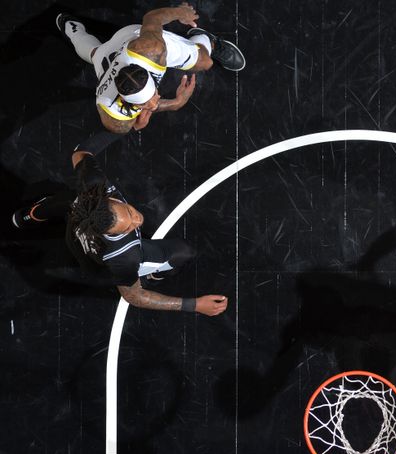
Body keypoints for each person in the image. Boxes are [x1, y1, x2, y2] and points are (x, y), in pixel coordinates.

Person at [12, 134, 228, 316]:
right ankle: (153, 274)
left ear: (108, 200)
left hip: (76, 234)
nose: (138, 220)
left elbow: (80, 152)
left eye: (130, 213)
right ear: (112, 233)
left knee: (67, 200)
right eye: (129, 226)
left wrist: (129, 123)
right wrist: (194, 305)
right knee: (183, 252)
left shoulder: (92, 185)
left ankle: (26, 217)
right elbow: (134, 296)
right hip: (96, 264)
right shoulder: (124, 257)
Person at [56, 2, 245, 133]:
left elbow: (152, 18)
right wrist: (175, 104)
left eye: (153, 96)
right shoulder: (112, 116)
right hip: (108, 58)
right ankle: (70, 27)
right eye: (145, 104)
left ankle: (207, 40)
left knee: (205, 63)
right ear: (123, 100)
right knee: (94, 53)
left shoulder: (150, 49)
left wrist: (181, 12)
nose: (154, 103)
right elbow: (136, 125)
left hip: (131, 38)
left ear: (148, 76)